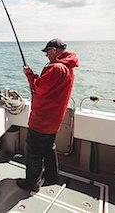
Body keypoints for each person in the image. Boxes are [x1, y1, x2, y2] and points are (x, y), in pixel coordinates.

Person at [17, 38, 79, 192]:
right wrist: (33, 75)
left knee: (33, 152)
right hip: (53, 120)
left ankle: (32, 183)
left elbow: (38, 88)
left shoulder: (56, 68)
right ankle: (51, 176)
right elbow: (47, 86)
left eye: (47, 52)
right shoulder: (67, 67)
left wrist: (29, 74)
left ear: (53, 50)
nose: (46, 55)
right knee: (48, 148)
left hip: (42, 120)